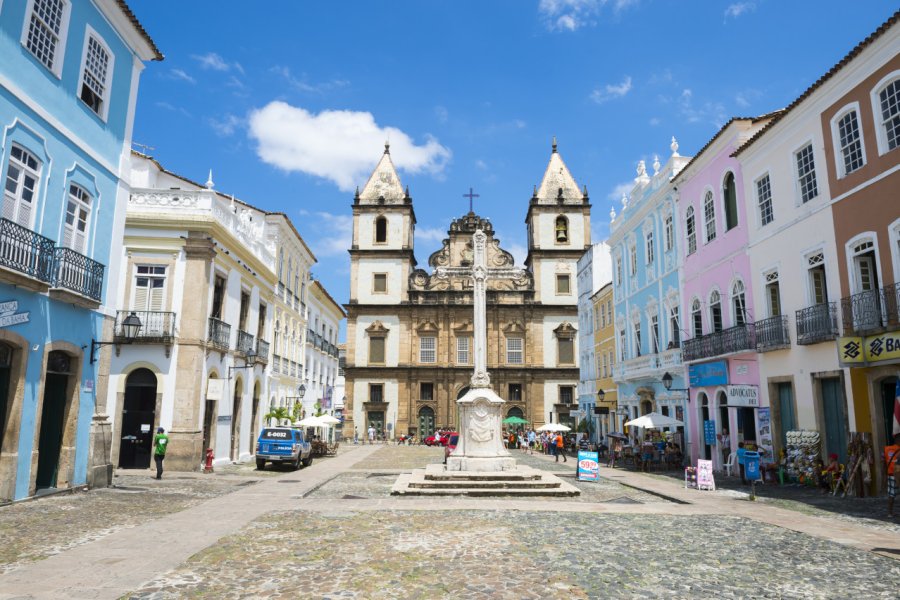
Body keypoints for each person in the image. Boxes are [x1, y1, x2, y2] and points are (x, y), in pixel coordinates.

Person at [885, 433, 900, 517]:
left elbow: (883, 461)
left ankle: (889, 513)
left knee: (891, 494)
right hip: (898, 474)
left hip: (890, 474)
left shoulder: (887, 449)